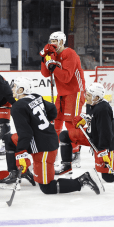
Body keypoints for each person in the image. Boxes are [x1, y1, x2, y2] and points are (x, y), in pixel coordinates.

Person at [0, 77, 102, 195]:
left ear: (21, 89)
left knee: (47, 188)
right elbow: (53, 110)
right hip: (43, 138)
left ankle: (83, 180)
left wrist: (21, 153)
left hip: (43, 147)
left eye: (14, 87)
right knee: (9, 139)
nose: (12, 89)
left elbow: (25, 133)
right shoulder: (35, 96)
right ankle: (15, 174)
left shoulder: (17, 107)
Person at [40, 31, 86, 166]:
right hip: (61, 94)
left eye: (55, 40)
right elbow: (45, 73)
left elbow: (66, 77)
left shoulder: (70, 53)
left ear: (62, 41)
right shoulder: (53, 54)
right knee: (56, 121)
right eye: (51, 40)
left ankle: (75, 152)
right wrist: (44, 58)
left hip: (74, 92)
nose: (53, 43)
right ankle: (54, 152)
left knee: (71, 123)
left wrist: (53, 66)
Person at [56, 83, 114, 182]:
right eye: (86, 94)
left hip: (105, 144)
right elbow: (93, 117)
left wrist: (103, 151)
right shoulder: (93, 103)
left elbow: (106, 132)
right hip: (92, 135)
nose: (85, 97)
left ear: (96, 97)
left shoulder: (103, 109)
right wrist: (84, 118)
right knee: (64, 135)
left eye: (88, 95)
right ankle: (66, 166)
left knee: (108, 178)